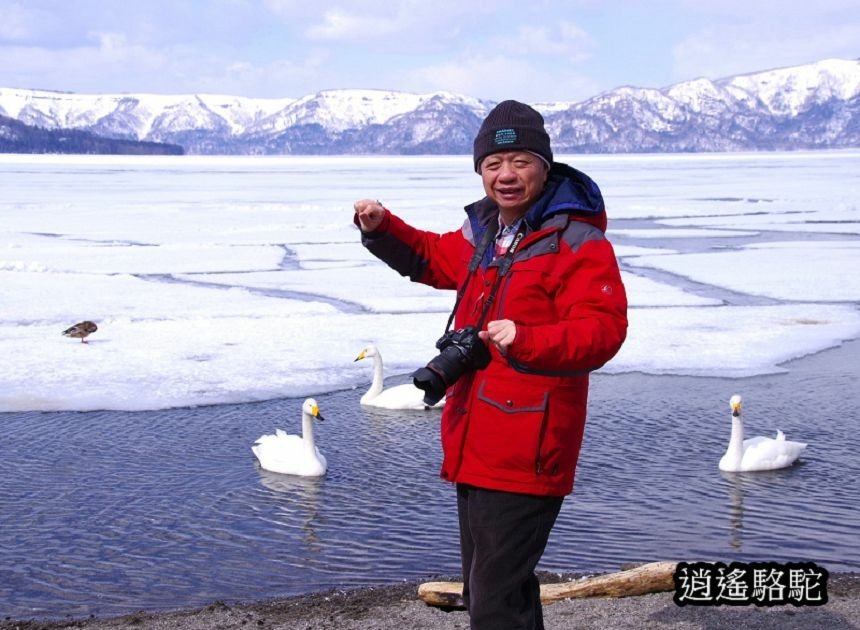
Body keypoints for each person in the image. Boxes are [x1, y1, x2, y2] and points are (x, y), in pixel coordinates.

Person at [353, 100, 628, 630]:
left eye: (520, 161)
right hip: (474, 435)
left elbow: (603, 330)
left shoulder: (577, 243)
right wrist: (383, 228)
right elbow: (432, 258)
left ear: (545, 167)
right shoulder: (484, 236)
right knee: (495, 587)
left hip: (530, 443)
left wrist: (526, 339)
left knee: (495, 598)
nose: (506, 175)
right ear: (480, 171)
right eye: (493, 164)